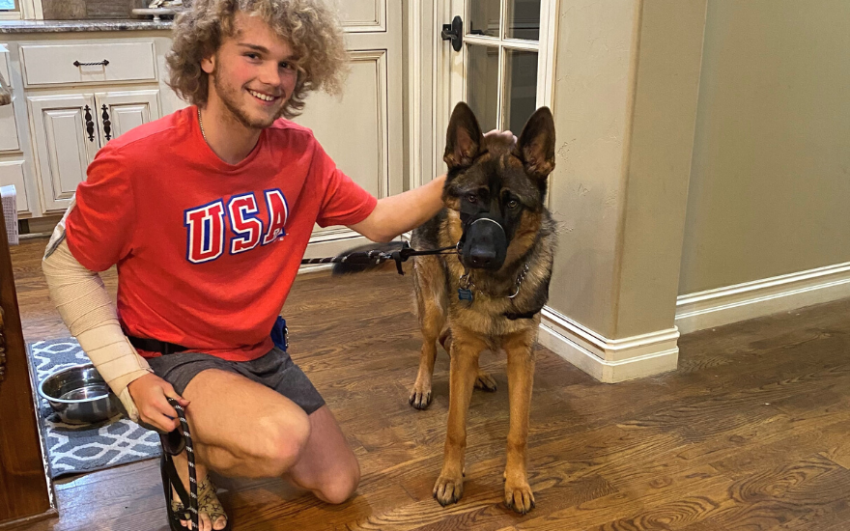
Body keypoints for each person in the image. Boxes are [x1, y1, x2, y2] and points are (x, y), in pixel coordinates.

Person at [41, 1, 513, 530]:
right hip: (173, 354)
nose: (272, 79)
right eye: (253, 55)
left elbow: (379, 222)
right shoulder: (136, 162)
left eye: (287, 64)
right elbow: (65, 266)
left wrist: (465, 176)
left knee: (338, 484)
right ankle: (180, 453)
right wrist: (129, 379)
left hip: (257, 350)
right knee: (280, 439)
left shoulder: (299, 153)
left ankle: (220, 427)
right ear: (208, 57)